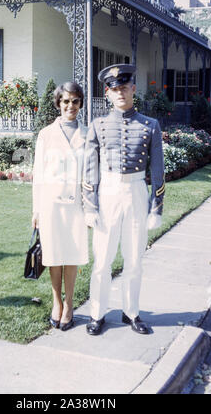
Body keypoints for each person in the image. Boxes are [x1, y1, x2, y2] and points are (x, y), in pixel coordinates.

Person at [83, 64, 165, 336]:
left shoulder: (150, 125)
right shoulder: (98, 125)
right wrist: (91, 205)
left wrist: (157, 207)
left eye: (124, 88)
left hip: (135, 192)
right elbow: (91, 168)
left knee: (134, 258)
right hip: (107, 192)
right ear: (108, 93)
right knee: (103, 259)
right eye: (114, 89)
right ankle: (97, 313)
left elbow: (157, 169)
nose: (120, 93)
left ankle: (131, 312)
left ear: (133, 89)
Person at [32, 82, 88, 331]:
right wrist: (36, 209)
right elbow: (38, 174)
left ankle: (69, 303)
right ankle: (56, 302)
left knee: (73, 254)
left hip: (77, 204)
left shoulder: (88, 135)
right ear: (58, 103)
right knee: (54, 254)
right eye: (65, 101)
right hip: (51, 204)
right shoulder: (46, 134)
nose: (70, 106)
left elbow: (92, 172)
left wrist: (92, 207)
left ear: (80, 104)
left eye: (75, 101)